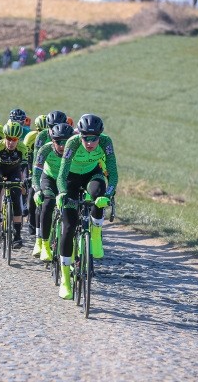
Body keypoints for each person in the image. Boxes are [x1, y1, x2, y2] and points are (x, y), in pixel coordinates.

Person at [55, 114, 118, 300]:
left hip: (92, 175)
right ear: (79, 135)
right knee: (68, 227)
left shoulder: (106, 142)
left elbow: (113, 174)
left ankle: (96, 235)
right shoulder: (72, 143)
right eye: (86, 138)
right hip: (71, 180)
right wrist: (61, 193)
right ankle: (66, 279)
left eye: (94, 139)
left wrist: (107, 196)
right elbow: (61, 175)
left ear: (100, 136)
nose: (90, 143)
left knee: (99, 193)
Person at [31, 122, 74, 261]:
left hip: (67, 180)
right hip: (49, 178)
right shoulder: (45, 150)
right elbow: (36, 174)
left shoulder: (76, 150)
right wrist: (37, 190)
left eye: (65, 142)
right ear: (52, 140)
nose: (62, 146)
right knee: (48, 204)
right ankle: (44, 244)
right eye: (58, 142)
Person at [0, 121, 28, 249]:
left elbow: (25, 167)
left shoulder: (22, 148)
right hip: (0, 169)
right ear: (5, 137)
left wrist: (26, 179)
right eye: (9, 139)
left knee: (16, 200)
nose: (11, 143)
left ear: (18, 139)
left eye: (14, 139)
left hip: (14, 171)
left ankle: (17, 235)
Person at [23, 114, 47, 236]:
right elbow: (26, 159)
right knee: (32, 193)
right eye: (40, 131)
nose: (43, 133)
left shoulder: (52, 137)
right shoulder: (30, 137)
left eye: (46, 130)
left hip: (48, 168)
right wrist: (29, 175)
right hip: (33, 166)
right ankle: (32, 222)